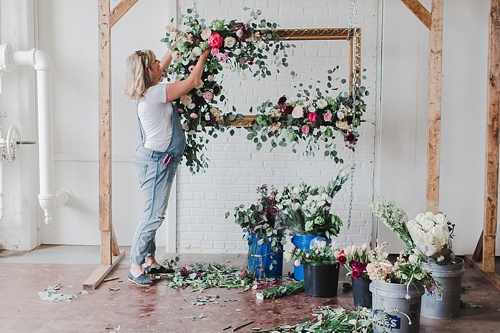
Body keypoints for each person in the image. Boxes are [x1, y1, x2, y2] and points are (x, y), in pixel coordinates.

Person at [124, 48, 210, 286]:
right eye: (155, 63)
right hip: (155, 163)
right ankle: (135, 265)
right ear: (146, 71)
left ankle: (150, 261)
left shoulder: (146, 92)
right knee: (154, 215)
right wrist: (204, 55)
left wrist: (174, 49)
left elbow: (161, 67)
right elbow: (192, 81)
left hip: (154, 160)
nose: (160, 64)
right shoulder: (155, 93)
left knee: (150, 212)